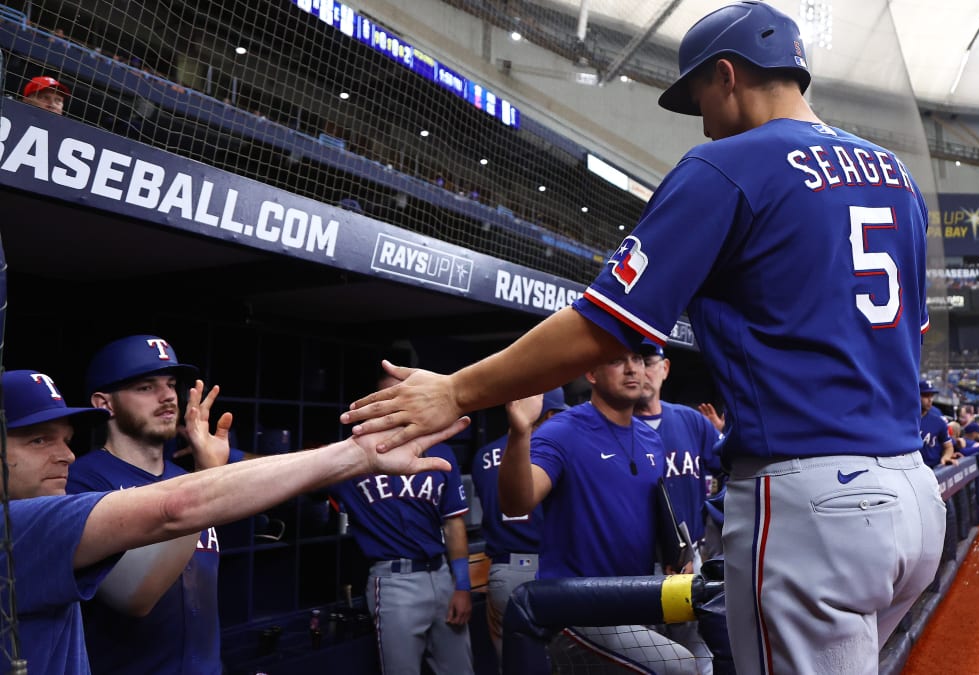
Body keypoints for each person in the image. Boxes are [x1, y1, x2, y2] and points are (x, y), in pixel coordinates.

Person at [343, 3, 946, 672]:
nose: (703, 121)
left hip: (815, 504)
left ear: (727, 75)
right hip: (914, 499)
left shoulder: (730, 165)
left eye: (698, 99)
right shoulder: (897, 177)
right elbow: (908, 338)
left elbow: (607, 324)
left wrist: (457, 389)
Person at [1, 369, 461, 675]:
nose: (63, 454)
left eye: (64, 439)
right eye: (38, 440)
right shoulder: (33, 515)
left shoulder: (174, 478)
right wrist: (358, 454)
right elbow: (172, 516)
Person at [498, 353, 704, 674]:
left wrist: (674, 554)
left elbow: (645, 511)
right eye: (616, 360)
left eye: (637, 359)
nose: (632, 368)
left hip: (633, 598)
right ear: (591, 373)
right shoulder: (562, 431)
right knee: (679, 666)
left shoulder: (651, 438)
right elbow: (516, 503)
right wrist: (520, 432)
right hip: (576, 604)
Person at [66, 335, 233, 673]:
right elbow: (135, 598)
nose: (168, 396)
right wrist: (210, 477)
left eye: (171, 384)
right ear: (104, 404)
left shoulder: (189, 476)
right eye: (145, 387)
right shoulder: (81, 482)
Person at [328, 375, 474, 675]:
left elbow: (454, 523)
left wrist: (462, 586)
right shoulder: (353, 456)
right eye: (389, 397)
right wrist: (232, 459)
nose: (397, 404)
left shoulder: (440, 451)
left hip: (441, 575)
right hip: (394, 582)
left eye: (405, 395)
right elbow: (293, 471)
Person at [471, 388, 568, 662]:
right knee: (559, 661)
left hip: (505, 570)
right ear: (548, 414)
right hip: (551, 570)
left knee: (512, 663)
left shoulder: (483, 455)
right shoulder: (553, 454)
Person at [634, 341, 720, 555]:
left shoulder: (692, 421)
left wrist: (715, 519)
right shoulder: (614, 428)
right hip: (640, 558)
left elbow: (733, 471)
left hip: (694, 554)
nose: (641, 371)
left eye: (648, 362)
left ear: (665, 369)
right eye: (636, 362)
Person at [919, 380, 957, 469]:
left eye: (931, 396)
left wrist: (946, 457)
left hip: (933, 468)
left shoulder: (938, 421)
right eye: (925, 395)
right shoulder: (905, 420)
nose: (930, 399)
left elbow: (948, 447)